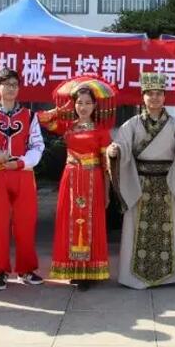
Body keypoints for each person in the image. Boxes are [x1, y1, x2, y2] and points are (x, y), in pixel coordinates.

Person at [107, 72, 175, 289]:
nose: (155, 98)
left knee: (170, 228)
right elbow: (122, 143)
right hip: (140, 184)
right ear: (143, 96)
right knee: (137, 228)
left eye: (159, 94)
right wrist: (115, 150)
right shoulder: (132, 124)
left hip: (167, 183)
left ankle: (173, 276)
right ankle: (134, 276)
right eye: (150, 94)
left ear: (164, 97)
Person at [38, 77, 116, 291]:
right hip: (71, 178)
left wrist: (107, 192)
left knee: (90, 223)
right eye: (79, 103)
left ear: (95, 106)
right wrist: (59, 109)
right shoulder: (67, 126)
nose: (83, 107)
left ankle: (89, 272)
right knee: (70, 222)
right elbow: (41, 119)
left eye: (88, 103)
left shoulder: (101, 131)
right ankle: (74, 269)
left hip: (93, 179)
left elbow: (106, 165)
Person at [0, 68, 45, 290]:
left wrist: (21, 162)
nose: (11, 89)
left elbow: (38, 146)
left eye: (14, 85)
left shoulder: (30, 116)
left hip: (23, 174)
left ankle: (26, 269)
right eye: (6, 84)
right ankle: (0, 270)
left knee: (25, 223)